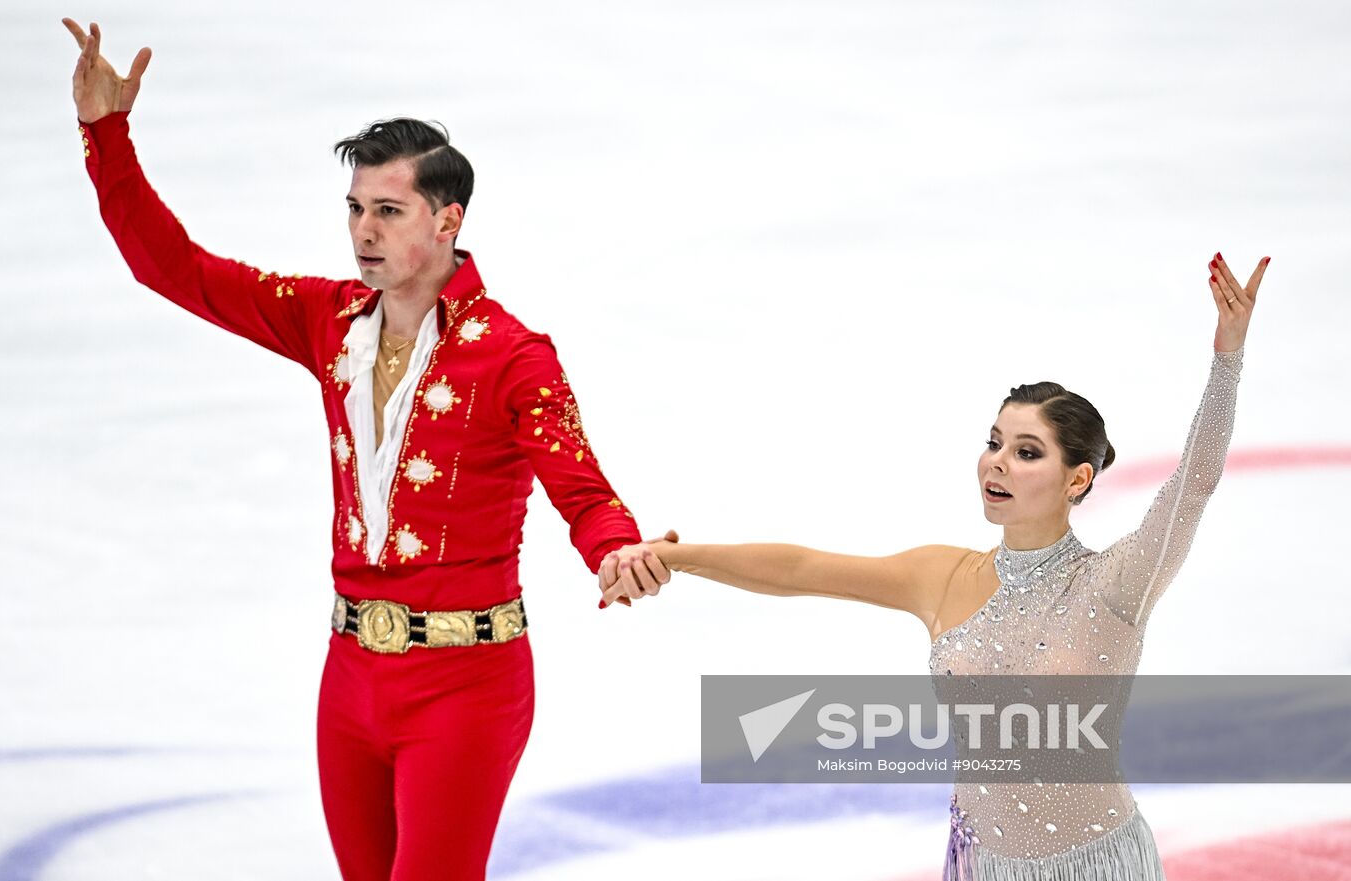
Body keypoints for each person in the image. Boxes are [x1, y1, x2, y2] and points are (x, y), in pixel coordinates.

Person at [62, 18, 671, 881]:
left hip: (466, 685)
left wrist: (615, 549)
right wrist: (106, 137)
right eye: (355, 209)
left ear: (448, 218)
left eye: (388, 211)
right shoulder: (329, 321)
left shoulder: (512, 355)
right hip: (349, 679)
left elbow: (585, 490)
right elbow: (176, 269)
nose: (363, 232)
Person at [608, 253, 1269, 880]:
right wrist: (677, 555)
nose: (997, 462)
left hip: (1098, 866)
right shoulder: (942, 577)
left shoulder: (1118, 582)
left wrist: (1227, 360)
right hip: (986, 864)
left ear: (1078, 478)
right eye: (994, 443)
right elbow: (802, 568)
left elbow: (1197, 482)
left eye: (1028, 450)